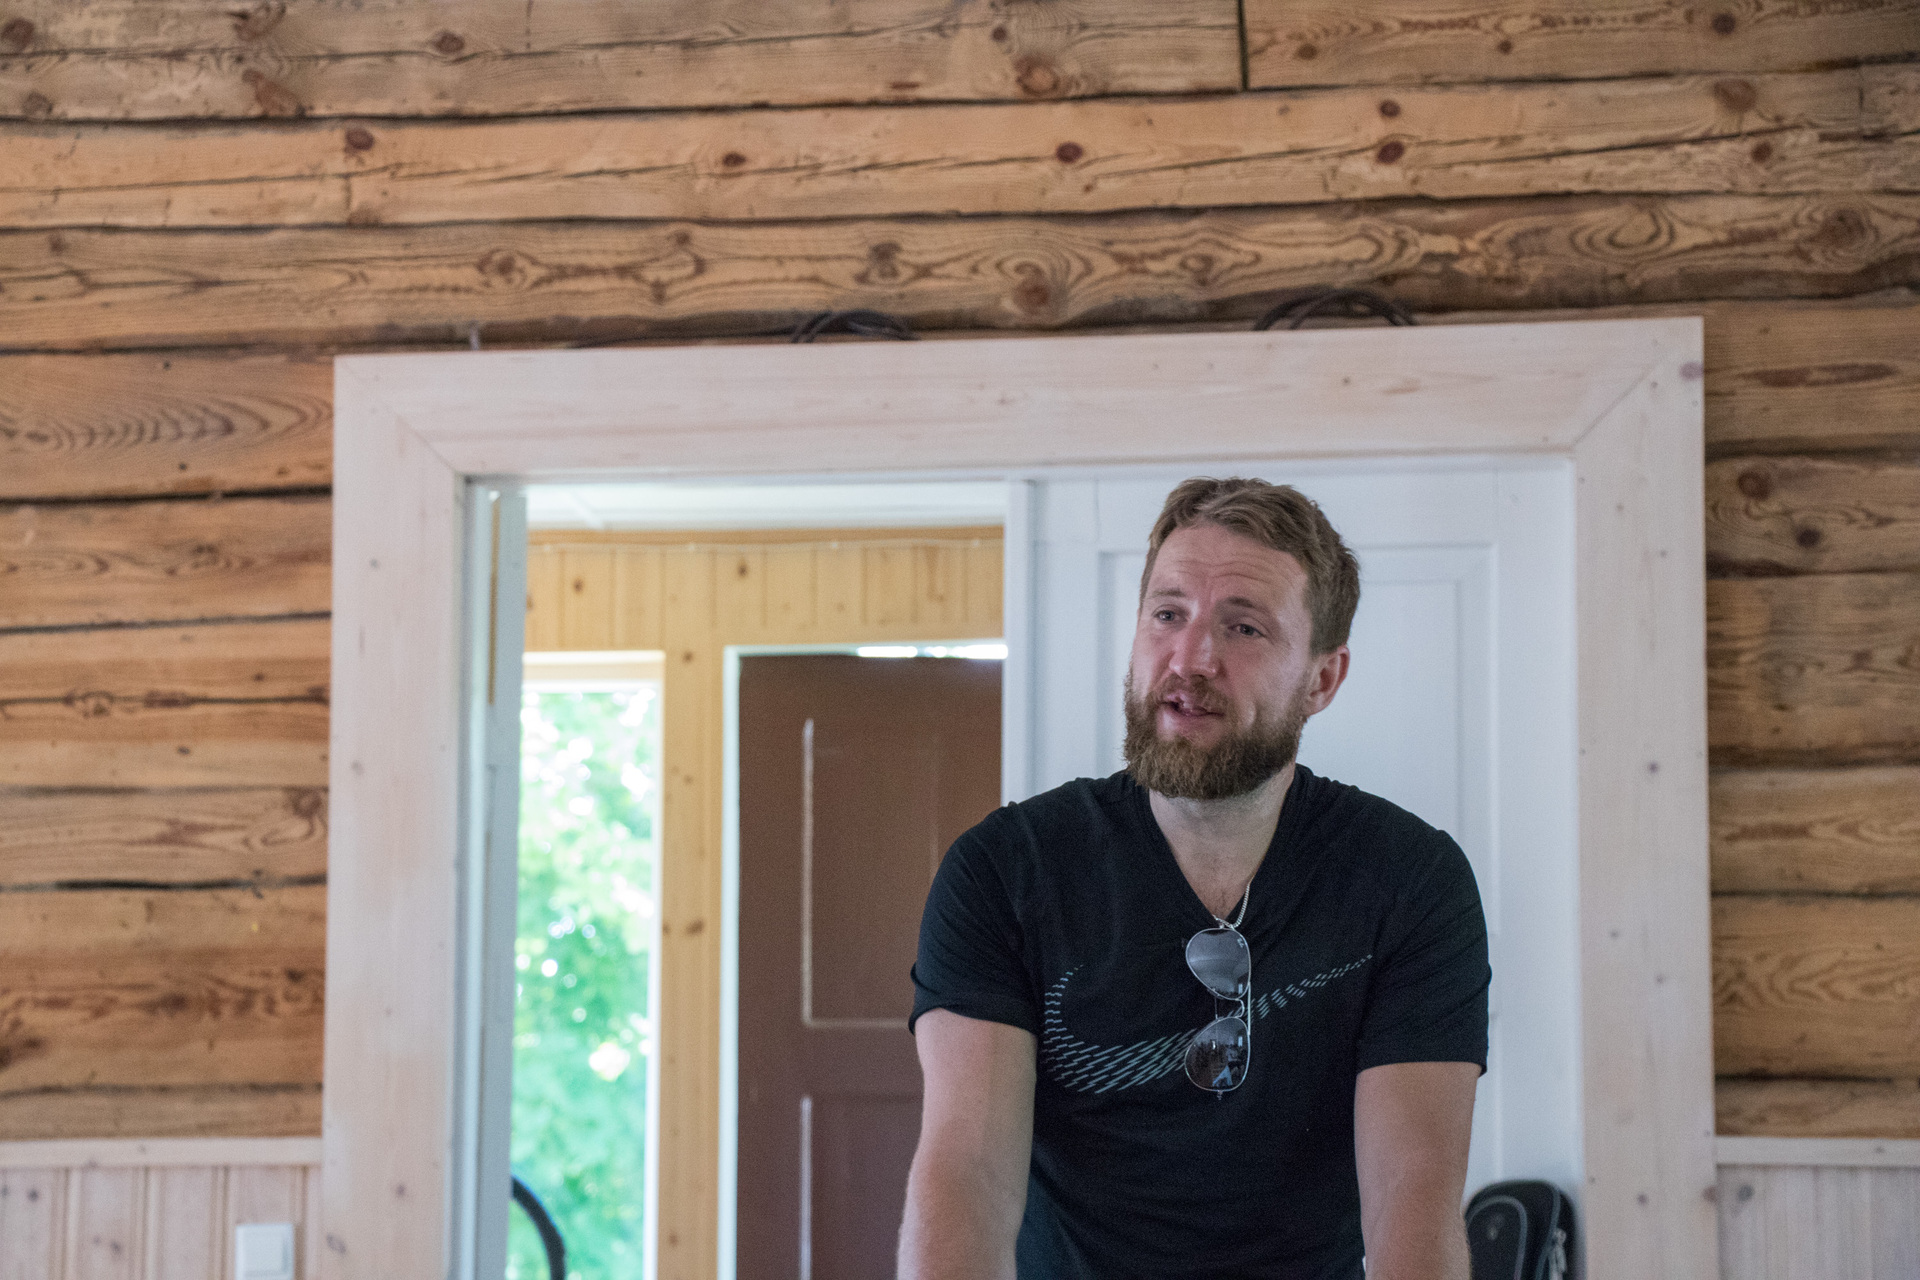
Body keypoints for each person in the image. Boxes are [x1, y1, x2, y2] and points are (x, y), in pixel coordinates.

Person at [900, 477, 1489, 1280]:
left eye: (1243, 627)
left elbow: (1411, 1194)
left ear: (1322, 679)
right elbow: (967, 1174)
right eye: (1168, 614)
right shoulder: (1005, 871)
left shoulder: (1409, 881)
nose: (1191, 658)